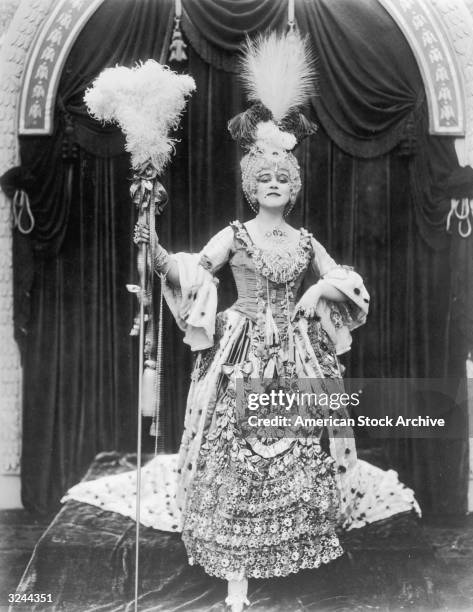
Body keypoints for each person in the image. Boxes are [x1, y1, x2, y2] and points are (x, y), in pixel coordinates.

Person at [64, 32, 420, 612]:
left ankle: (294, 550)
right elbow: (189, 272)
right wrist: (151, 244)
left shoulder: (305, 240)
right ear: (251, 182)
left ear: (293, 184)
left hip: (297, 355)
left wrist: (315, 295)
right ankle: (234, 566)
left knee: (302, 448)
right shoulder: (235, 234)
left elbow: (348, 281)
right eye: (265, 176)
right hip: (240, 349)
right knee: (234, 448)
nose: (274, 183)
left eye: (284, 176)